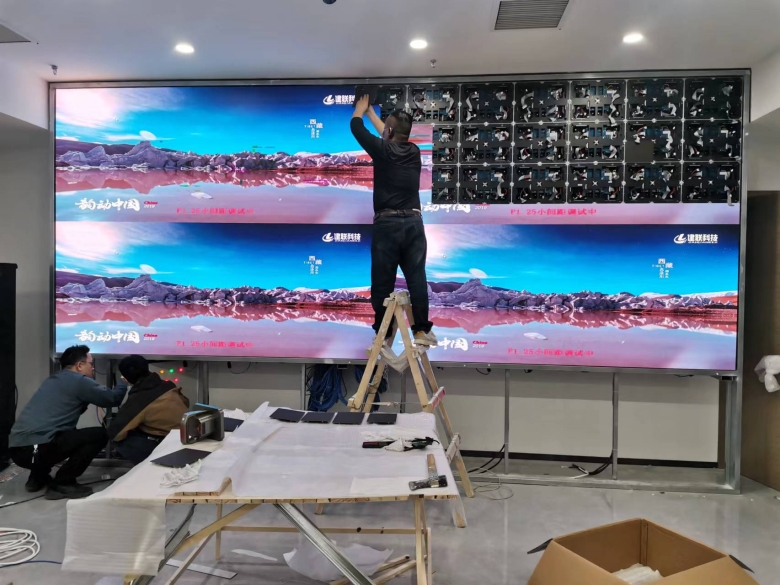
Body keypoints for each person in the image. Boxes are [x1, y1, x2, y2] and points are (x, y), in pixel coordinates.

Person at [350, 94, 437, 345]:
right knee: (417, 279)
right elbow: (388, 135)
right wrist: (373, 114)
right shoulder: (414, 151)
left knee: (382, 282)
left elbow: (356, 128)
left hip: (387, 225)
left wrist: (360, 110)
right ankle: (421, 331)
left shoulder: (383, 150)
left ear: (389, 132)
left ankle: (383, 332)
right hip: (414, 224)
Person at [9, 345, 128, 500]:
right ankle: (63, 483)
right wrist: (123, 381)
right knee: (99, 435)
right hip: (36, 450)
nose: (93, 368)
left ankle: (37, 478)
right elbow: (112, 399)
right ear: (79, 365)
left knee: (62, 434)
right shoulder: (79, 381)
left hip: (17, 450)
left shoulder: (54, 379)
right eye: (90, 364)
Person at [108, 355, 189, 465]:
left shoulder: (139, 399)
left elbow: (116, 433)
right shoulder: (168, 385)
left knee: (120, 439)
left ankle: (149, 464)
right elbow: (186, 402)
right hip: (185, 435)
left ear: (126, 379)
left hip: (166, 442)